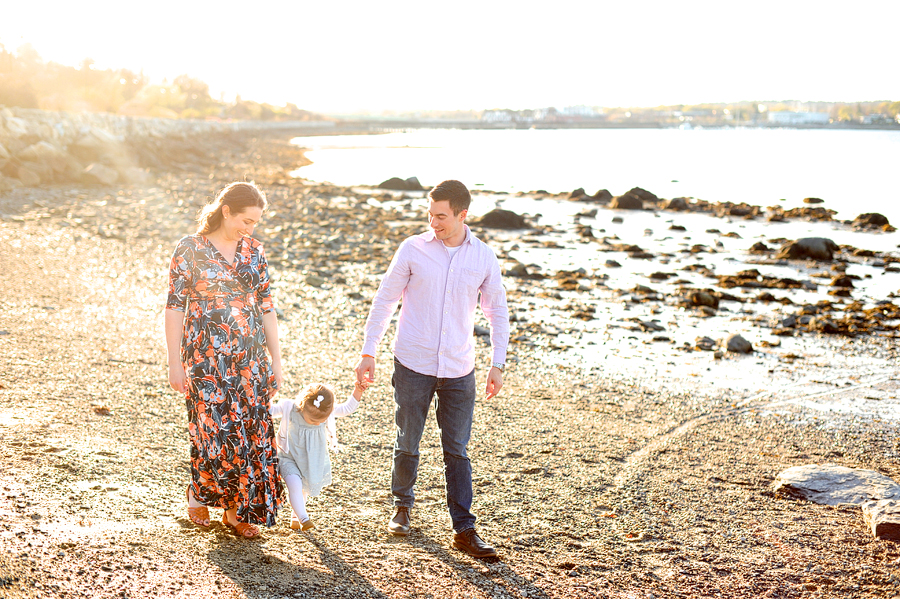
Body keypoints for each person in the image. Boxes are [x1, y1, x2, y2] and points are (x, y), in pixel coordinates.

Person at [354, 179, 509, 558]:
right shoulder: (413, 249)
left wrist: (498, 363)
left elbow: (497, 311)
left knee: (457, 448)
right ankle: (402, 507)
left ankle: (464, 529)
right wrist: (368, 352)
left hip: (460, 367)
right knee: (408, 438)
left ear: (462, 214)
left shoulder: (483, 257)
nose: (434, 222)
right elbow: (384, 300)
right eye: (430, 215)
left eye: (441, 216)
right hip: (413, 362)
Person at [165, 181, 283, 539]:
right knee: (213, 429)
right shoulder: (190, 249)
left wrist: (276, 361)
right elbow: (174, 307)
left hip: (248, 357)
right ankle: (199, 491)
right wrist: (174, 362)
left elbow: (267, 307)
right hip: (204, 356)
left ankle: (238, 510)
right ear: (226, 210)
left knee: (250, 431)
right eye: (245, 221)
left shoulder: (254, 252)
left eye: (255, 223)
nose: (249, 229)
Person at [269, 381, 366, 531]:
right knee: (294, 485)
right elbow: (269, 411)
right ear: (302, 406)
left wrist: (358, 391)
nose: (317, 423)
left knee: (303, 489)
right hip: (288, 458)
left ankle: (295, 516)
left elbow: (347, 408)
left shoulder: (326, 411)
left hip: (310, 461)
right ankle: (303, 518)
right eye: (314, 420)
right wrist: (267, 395)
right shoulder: (290, 408)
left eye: (321, 421)